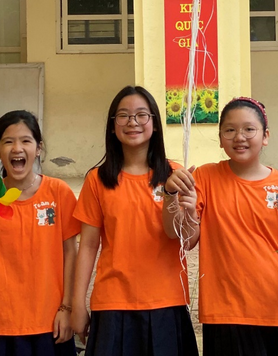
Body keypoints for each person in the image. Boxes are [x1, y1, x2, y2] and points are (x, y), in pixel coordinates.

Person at [164, 97, 278, 356]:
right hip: (224, 311)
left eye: (249, 129)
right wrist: (189, 208)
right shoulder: (205, 178)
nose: (239, 137)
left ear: (265, 136)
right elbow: (188, 240)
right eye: (230, 130)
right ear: (220, 138)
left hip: (277, 311)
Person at [72, 85, 198, 355]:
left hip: (166, 301)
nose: (132, 122)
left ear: (154, 123)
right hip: (113, 303)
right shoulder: (97, 179)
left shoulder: (175, 174)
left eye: (142, 115)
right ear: (112, 125)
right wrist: (76, 303)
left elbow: (186, 240)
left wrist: (178, 201)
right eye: (123, 116)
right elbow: (89, 245)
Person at [0, 110, 80, 356]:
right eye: (8, 141)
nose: (17, 148)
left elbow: (71, 253)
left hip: (52, 323)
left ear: (38, 148)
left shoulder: (59, 192)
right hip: (3, 325)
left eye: (26, 140)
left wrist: (67, 309)